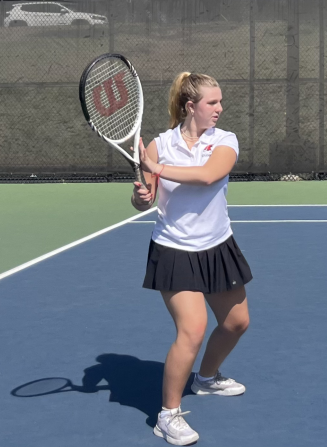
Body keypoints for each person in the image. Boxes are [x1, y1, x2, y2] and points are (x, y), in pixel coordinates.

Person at [131, 72, 253, 445]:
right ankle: (167, 415)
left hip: (217, 246)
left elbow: (207, 176)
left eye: (219, 102)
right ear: (190, 107)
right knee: (193, 328)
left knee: (236, 323)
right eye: (212, 103)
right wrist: (141, 196)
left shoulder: (225, 141)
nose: (220, 108)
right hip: (174, 250)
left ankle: (206, 378)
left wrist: (157, 170)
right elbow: (143, 196)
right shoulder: (158, 146)